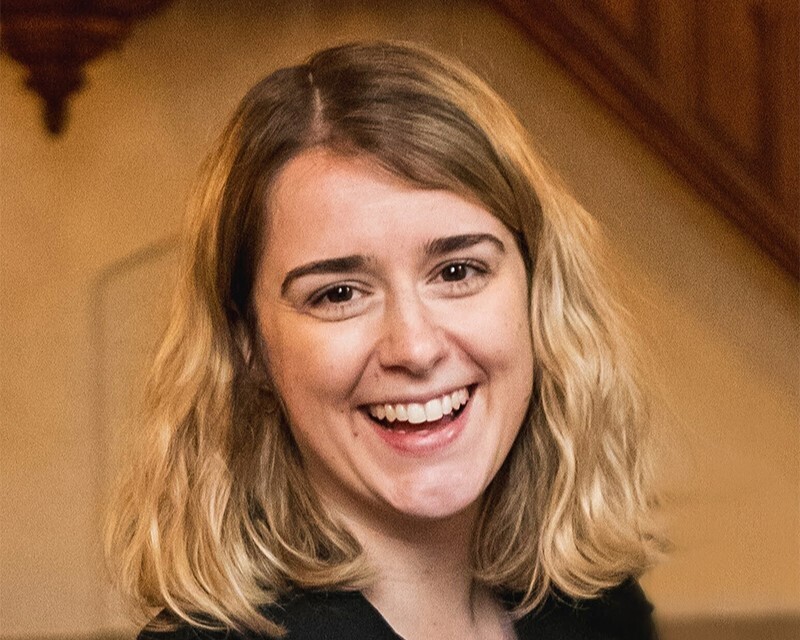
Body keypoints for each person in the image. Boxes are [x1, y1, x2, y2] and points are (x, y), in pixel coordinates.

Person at [106, 41, 666, 640]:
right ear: (247, 346)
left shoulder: (599, 612)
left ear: (537, 292)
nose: (416, 349)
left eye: (457, 272)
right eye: (340, 294)